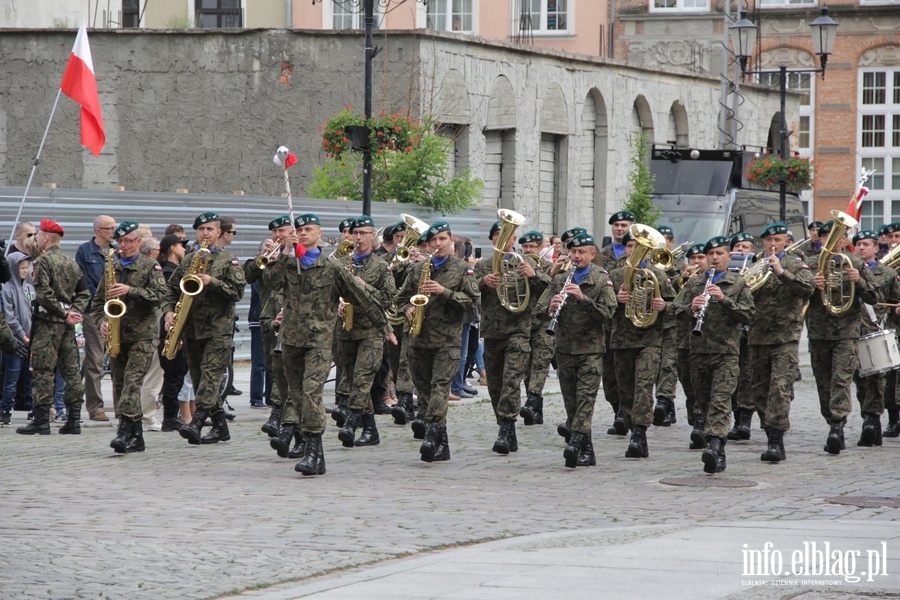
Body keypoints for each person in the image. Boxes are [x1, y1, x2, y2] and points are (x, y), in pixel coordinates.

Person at [268, 213, 388, 475]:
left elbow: (360, 297)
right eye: (298, 229)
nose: (302, 233)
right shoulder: (288, 264)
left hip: (319, 342)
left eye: (308, 229)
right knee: (297, 395)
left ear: (319, 233)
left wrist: (383, 325)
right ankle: (316, 453)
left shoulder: (332, 267)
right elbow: (270, 283)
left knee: (311, 393)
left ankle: (311, 452)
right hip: (290, 341)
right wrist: (286, 252)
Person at [396, 221, 479, 463]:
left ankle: (432, 436)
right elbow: (400, 298)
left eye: (443, 239)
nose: (438, 244)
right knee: (423, 391)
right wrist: (407, 309)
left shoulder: (462, 269)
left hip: (447, 341)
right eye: (434, 241)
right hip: (419, 339)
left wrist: (444, 291)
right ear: (428, 244)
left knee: (439, 388)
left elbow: (472, 301)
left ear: (451, 241)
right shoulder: (418, 268)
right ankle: (442, 444)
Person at [162, 212, 246, 446]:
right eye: (201, 230)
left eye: (210, 229)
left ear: (219, 232)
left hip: (218, 329)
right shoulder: (188, 261)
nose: (205, 233)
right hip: (192, 329)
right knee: (200, 381)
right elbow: (170, 291)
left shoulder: (228, 260)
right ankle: (220, 428)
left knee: (210, 378)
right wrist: (168, 311)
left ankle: (197, 422)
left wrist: (212, 281)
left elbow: (237, 292)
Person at [674, 236, 755, 473]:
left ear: (729, 256)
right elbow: (673, 310)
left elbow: (749, 315)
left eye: (720, 253)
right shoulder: (695, 283)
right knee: (703, 402)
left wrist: (724, 299)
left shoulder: (738, 283)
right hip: (698, 352)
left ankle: (716, 446)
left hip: (726, 353)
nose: (715, 258)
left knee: (720, 401)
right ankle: (714, 445)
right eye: (711, 254)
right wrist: (690, 308)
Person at [543, 232, 616, 467]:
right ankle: (587, 449)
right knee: (571, 401)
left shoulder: (602, 280)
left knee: (586, 398)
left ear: (592, 254)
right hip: (564, 349)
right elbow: (538, 308)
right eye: (572, 252)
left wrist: (584, 299)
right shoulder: (559, 280)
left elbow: (608, 314)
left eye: (581, 252)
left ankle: (575, 442)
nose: (576, 256)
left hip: (591, 350)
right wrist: (551, 307)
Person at [92, 222, 167, 452]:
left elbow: (161, 295)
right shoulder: (111, 267)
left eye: (128, 241)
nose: (123, 246)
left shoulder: (150, 265)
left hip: (142, 336)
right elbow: (97, 304)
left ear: (138, 242)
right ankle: (137, 437)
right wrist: (101, 322)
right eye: (120, 241)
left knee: (132, 384)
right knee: (120, 384)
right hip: (117, 336)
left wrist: (131, 291)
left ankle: (123, 432)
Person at [806, 219, 879, 455]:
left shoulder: (855, 262)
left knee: (841, 379)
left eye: (837, 237)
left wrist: (858, 281)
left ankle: (837, 427)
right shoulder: (811, 264)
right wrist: (810, 285)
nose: (832, 241)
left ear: (844, 240)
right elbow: (795, 296)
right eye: (827, 237)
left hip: (847, 332)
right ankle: (831, 423)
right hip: (819, 333)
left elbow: (874, 296)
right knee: (823, 382)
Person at [475, 223, 549, 454]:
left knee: (511, 381)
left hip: (518, 331)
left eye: (505, 236)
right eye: (497, 236)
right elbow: (467, 292)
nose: (501, 240)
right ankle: (505, 426)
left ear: (513, 238)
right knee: (495, 385)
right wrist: (482, 282)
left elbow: (550, 290)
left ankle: (507, 428)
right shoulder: (484, 266)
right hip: (492, 332)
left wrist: (534, 276)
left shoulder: (526, 262)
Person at [746, 222, 815, 462]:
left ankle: (776, 439)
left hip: (785, 337)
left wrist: (781, 273)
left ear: (786, 241)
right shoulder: (754, 265)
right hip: (757, 336)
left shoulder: (796, 264)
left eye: (777, 240)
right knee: (760, 390)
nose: (773, 244)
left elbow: (809, 288)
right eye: (768, 240)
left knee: (779, 387)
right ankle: (770, 430)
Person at [329, 215, 397, 449]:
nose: (357, 238)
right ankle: (370, 429)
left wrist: (363, 285)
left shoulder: (381, 266)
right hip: (345, 330)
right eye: (354, 233)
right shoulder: (339, 263)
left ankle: (351, 421)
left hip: (371, 331)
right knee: (351, 379)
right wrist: (336, 303)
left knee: (362, 378)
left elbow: (389, 300)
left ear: (373, 235)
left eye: (363, 233)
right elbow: (327, 293)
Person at [17, 219, 90, 436]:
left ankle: (41, 420)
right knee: (71, 371)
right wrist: (73, 312)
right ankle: (74, 419)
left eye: (38, 235)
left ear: (46, 238)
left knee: (43, 371)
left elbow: (44, 294)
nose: (37, 239)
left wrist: (65, 313)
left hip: (48, 324)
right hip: (68, 326)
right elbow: (84, 293)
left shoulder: (43, 262)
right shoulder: (71, 263)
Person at [610, 227, 675, 458]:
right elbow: (603, 307)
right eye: (630, 246)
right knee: (626, 391)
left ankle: (640, 433)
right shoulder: (615, 276)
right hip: (622, 340)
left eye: (639, 247)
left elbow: (675, 307)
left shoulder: (657, 276)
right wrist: (615, 301)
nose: (635, 251)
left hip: (649, 340)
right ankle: (630, 422)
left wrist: (664, 306)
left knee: (644, 388)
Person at [853, 229, 898, 447]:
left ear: (875, 248)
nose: (861, 248)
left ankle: (871, 421)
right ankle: (870, 420)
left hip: (876, 330)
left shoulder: (888, 273)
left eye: (866, 244)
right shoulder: (847, 269)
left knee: (878, 380)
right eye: (858, 244)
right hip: (851, 332)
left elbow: (895, 299)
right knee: (859, 380)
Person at [75, 214, 117, 422]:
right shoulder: (85, 251)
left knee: (119, 357)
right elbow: (83, 281)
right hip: (94, 311)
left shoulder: (116, 251)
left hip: (116, 312)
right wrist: (102, 299)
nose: (113, 232)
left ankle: (122, 405)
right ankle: (95, 407)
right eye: (110, 228)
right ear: (99, 230)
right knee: (95, 360)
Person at [725, 232, 758, 439]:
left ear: (752, 251)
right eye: (737, 246)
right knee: (731, 377)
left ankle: (745, 419)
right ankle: (735, 416)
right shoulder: (724, 272)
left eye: (745, 247)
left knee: (746, 376)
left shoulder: (760, 269)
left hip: (751, 331)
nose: (741, 250)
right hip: (728, 332)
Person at [156, 234, 190, 431]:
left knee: (177, 373)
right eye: (180, 245)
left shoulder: (175, 270)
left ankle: (172, 415)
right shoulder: (169, 273)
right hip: (171, 326)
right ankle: (170, 417)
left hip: (177, 326)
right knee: (173, 374)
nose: (184, 249)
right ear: (172, 248)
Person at [674, 243, 708, 426]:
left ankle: (701, 423)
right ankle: (695, 419)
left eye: (701, 258)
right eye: (693, 258)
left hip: (710, 343)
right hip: (685, 341)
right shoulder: (685, 281)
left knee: (704, 386)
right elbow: (674, 308)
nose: (696, 261)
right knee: (689, 384)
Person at [0, 252, 35, 424]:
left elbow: (33, 311)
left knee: (31, 377)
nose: (24, 271)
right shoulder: (7, 290)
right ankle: (6, 408)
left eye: (26, 267)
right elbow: (9, 317)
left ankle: (32, 407)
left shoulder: (29, 288)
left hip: (31, 339)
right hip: (16, 341)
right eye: (21, 268)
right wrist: (22, 336)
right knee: (12, 377)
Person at [652, 225, 680, 428]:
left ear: (671, 243)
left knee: (668, 365)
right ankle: (666, 406)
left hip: (671, 323)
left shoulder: (680, 266)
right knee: (655, 367)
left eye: (665, 242)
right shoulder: (649, 265)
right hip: (651, 324)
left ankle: (664, 402)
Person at [137, 237, 165, 430]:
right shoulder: (152, 267)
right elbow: (159, 295)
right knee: (153, 376)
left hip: (140, 329)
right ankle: (147, 417)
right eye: (158, 249)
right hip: (151, 329)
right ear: (151, 252)